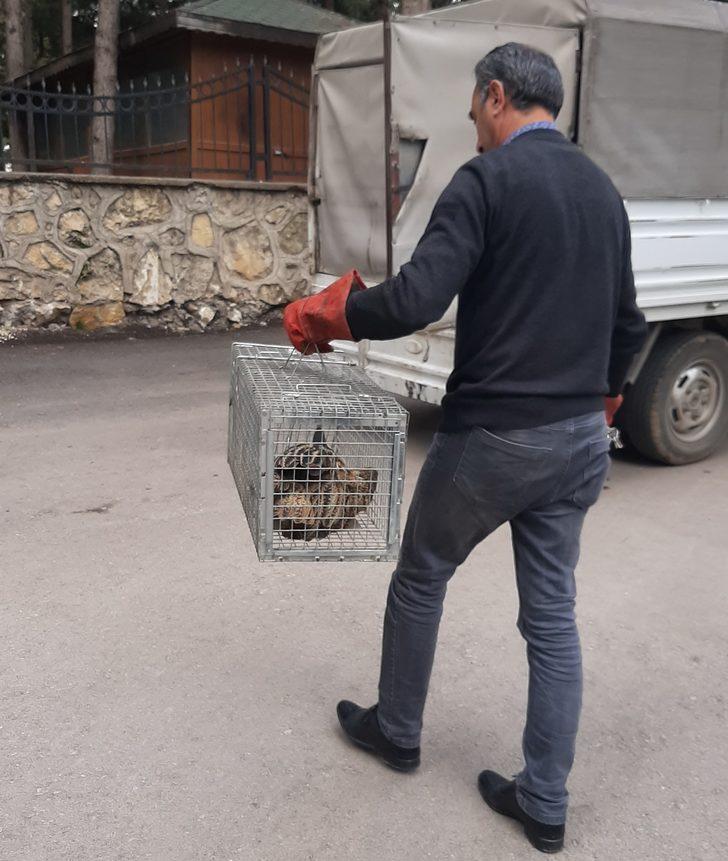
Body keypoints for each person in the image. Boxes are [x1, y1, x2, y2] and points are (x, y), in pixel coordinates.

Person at [283, 42, 647, 854]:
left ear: (494, 96)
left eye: (472, 106)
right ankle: (545, 801)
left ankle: (398, 729)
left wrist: (327, 314)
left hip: (496, 435)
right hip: (582, 438)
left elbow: (416, 296)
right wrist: (606, 401)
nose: (470, 122)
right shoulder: (602, 190)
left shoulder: (487, 179)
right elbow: (630, 324)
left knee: (422, 575)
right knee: (552, 619)